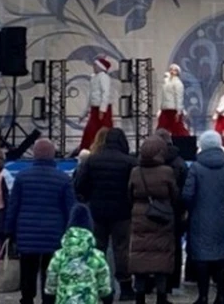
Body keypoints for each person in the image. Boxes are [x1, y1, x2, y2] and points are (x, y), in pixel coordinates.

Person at [6, 138, 75, 304]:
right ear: (53, 155)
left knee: (27, 269)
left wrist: (9, 231)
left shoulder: (22, 177)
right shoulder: (63, 179)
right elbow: (70, 208)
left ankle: (27, 298)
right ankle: (48, 298)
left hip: (27, 233)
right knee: (50, 270)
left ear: (34, 155)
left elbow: (13, 206)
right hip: (54, 232)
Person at [74, 127, 137, 302]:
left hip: (97, 211)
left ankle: (98, 284)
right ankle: (125, 287)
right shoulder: (130, 162)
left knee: (98, 248)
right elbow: (134, 188)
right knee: (122, 249)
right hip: (123, 212)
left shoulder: (92, 160)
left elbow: (80, 185)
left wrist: (90, 198)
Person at [183, 131, 224, 304]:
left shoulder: (195, 168)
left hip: (200, 218)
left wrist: (191, 209)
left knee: (201, 257)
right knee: (222, 257)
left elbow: (187, 194)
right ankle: (221, 295)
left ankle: (203, 296)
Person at [128, 136, 178, 304]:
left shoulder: (136, 172)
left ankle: (140, 296)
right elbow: (174, 194)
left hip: (140, 215)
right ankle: (161, 297)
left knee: (140, 256)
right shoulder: (167, 171)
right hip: (161, 216)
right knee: (161, 257)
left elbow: (129, 194)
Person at [44, 204, 112, 304]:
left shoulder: (59, 256)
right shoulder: (96, 257)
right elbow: (104, 288)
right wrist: (107, 299)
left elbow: (51, 286)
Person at [155, 129, 188, 296]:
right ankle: (173, 281)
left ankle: (153, 281)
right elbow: (184, 190)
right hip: (175, 211)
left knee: (153, 246)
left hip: (153, 211)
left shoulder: (149, 162)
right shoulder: (180, 163)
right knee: (175, 246)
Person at [80, 57, 114, 150]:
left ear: (100, 67)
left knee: (104, 130)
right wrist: (85, 112)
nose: (93, 67)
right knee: (90, 130)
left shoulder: (104, 77)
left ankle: (106, 149)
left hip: (102, 109)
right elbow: (90, 97)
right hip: (94, 109)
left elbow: (105, 93)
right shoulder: (94, 78)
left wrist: (102, 109)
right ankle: (88, 149)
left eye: (95, 65)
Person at [157, 64, 188, 137]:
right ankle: (160, 139)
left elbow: (179, 97)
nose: (172, 71)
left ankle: (184, 140)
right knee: (162, 127)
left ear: (178, 73)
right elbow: (163, 96)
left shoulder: (178, 83)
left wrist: (178, 111)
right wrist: (161, 108)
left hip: (173, 109)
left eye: (175, 70)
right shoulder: (166, 83)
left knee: (177, 128)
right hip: (165, 108)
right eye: (171, 69)